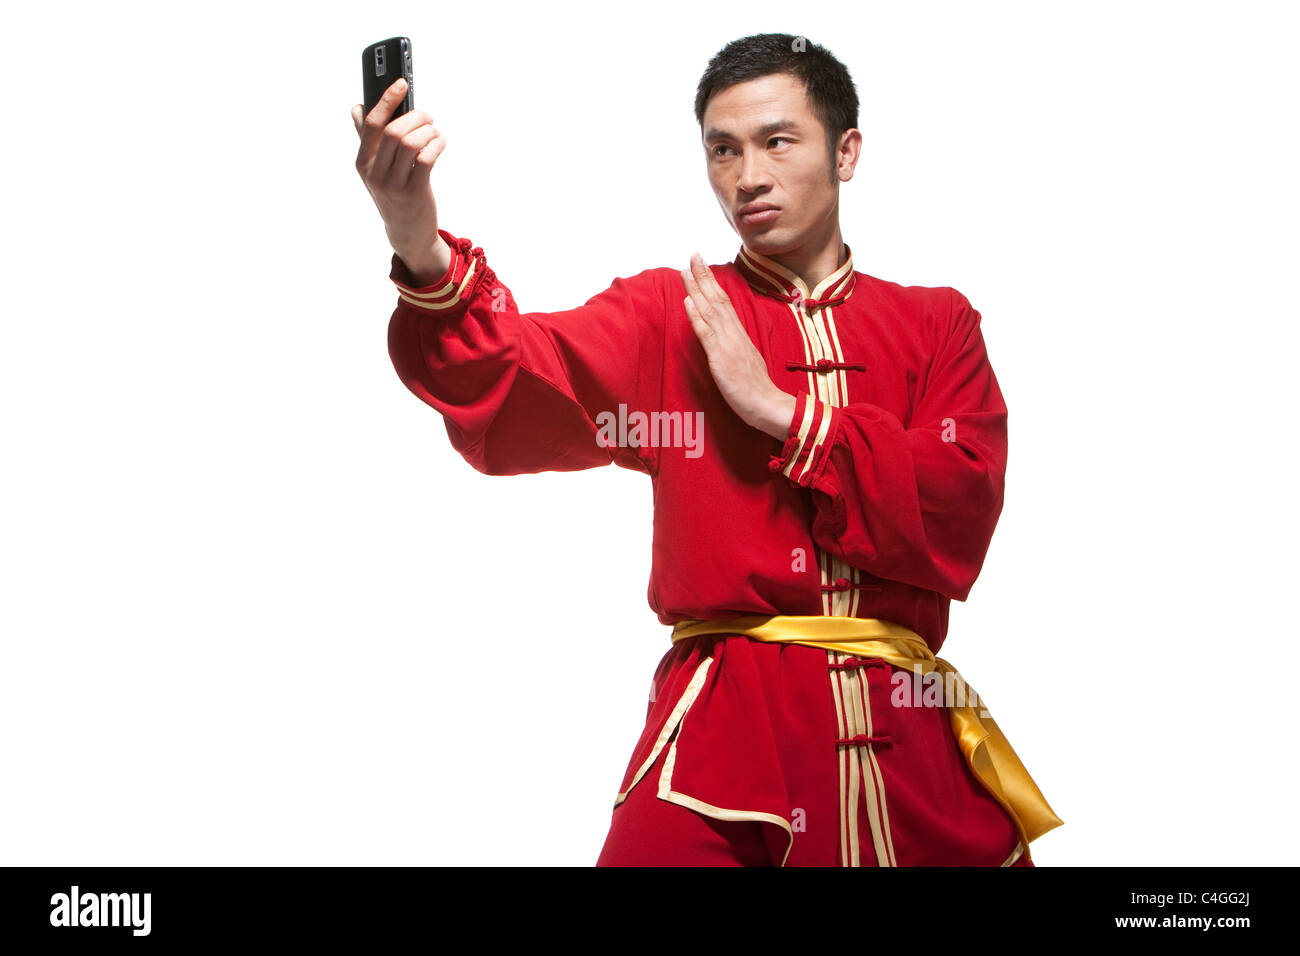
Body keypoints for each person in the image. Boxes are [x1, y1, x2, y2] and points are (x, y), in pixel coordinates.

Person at [351, 32, 1063, 866]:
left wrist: (780, 412)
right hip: (721, 742)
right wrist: (417, 239)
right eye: (722, 150)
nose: (747, 176)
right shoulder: (673, 313)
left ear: (847, 152)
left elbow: (959, 505)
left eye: (777, 142)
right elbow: (514, 383)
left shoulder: (938, 324)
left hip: (915, 746)